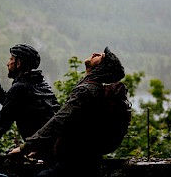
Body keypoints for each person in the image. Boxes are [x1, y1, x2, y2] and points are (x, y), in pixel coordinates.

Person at [9, 46, 125, 177]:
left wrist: (25, 147)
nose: (95, 53)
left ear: (102, 67)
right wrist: (41, 148)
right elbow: (71, 126)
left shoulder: (86, 91)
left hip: (75, 163)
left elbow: (59, 121)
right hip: (87, 161)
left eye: (100, 56)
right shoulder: (93, 88)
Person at [0, 43, 60, 160]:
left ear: (19, 63)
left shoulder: (20, 87)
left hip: (47, 153)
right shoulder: (40, 83)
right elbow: (20, 108)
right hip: (52, 149)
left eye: (11, 59)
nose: (7, 63)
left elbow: (0, 124)